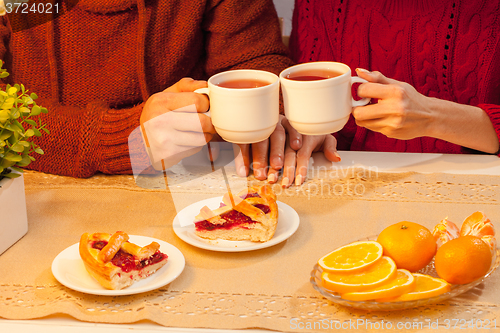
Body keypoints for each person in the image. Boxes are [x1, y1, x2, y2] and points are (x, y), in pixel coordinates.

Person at [1, 0, 336, 184]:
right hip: (31, 192)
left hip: (189, 182)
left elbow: (255, 59)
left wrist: (266, 107)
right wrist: (119, 138)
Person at [289, 0, 500, 157]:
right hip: (345, 176)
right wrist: (311, 134)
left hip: (476, 182)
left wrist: (433, 116)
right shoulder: (318, 5)